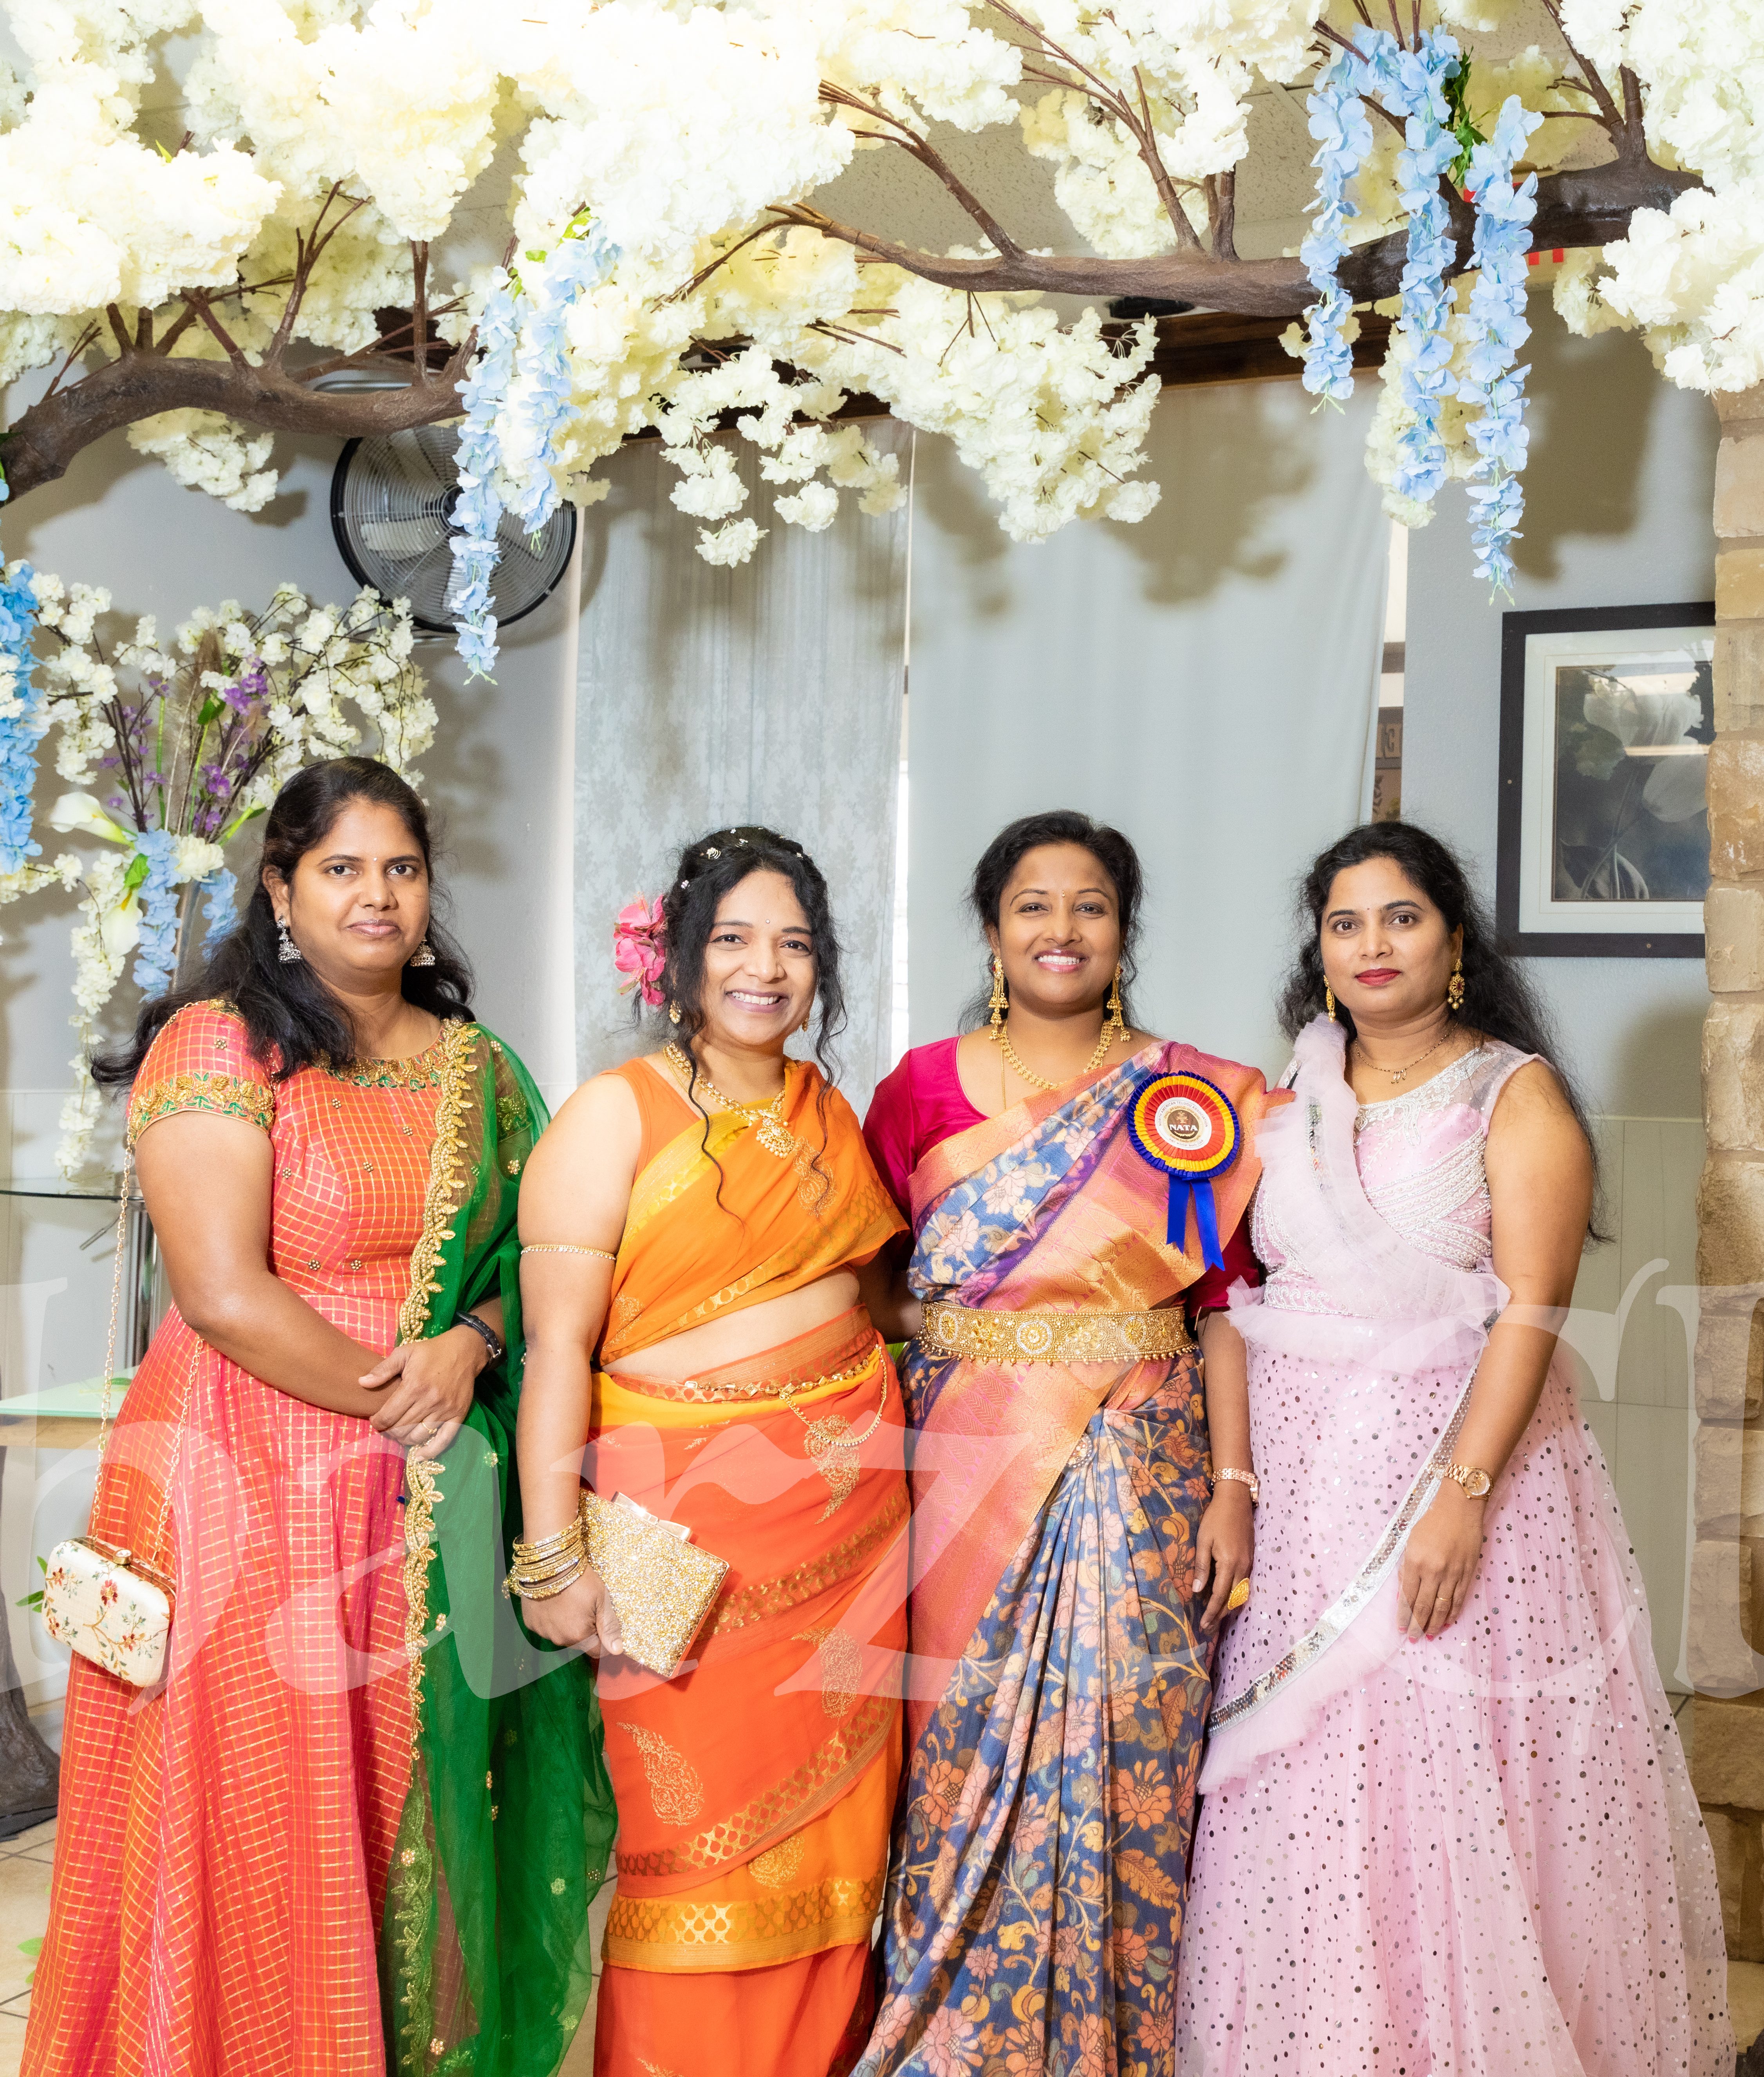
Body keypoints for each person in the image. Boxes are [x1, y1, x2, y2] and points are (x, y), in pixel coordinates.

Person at [24, 758, 612, 2077]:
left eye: (401, 868)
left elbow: (548, 1261)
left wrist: (469, 1346)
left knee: (404, 1795)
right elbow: (223, 1294)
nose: (376, 896)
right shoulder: (220, 1044)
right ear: (282, 891)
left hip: (423, 1481)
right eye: (341, 869)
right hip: (247, 1472)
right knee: (258, 1799)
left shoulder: (478, 1067)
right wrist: (404, 1398)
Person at [1175, 819, 1732, 2076]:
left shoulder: (1508, 1092)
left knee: (1438, 1788)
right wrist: (1235, 1480)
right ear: (1319, 952)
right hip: (1299, 1492)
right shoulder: (1282, 1098)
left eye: (1401, 917)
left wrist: (1461, 1498)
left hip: (1455, 1484)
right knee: (1305, 1784)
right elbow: (1231, 1293)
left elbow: (1530, 1314)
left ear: (1453, 940)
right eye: (1345, 923)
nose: (1372, 945)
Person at [854, 809, 1276, 2077]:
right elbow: (868, 1282)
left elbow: (1223, 1309)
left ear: (1122, 930)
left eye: (1089, 904)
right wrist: (972, 1360)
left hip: (1143, 1469)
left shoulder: (1190, 1098)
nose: (1061, 928)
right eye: (1032, 904)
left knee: (1125, 1751)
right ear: (991, 930)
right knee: (957, 1751)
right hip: (963, 1471)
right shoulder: (918, 1088)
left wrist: (1234, 1486)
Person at [512, 826, 910, 2077]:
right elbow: (555, 1350)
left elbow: (880, 1301)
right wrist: (551, 1557)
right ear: (679, 959)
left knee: (837, 1853)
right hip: (680, 1536)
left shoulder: (824, 1111)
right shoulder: (612, 1115)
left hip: (853, 1532)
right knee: (689, 1852)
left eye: (794, 944)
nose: (765, 969)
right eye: (733, 939)